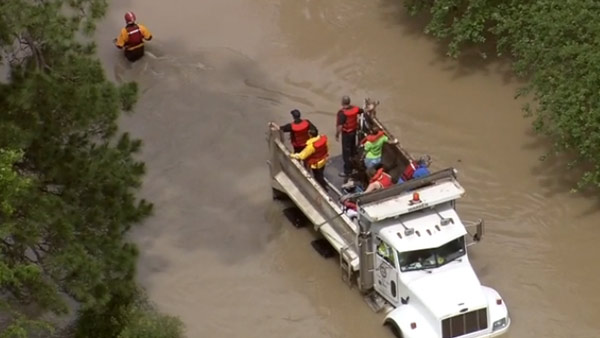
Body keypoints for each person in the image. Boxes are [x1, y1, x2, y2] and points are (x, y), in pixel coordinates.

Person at [335, 95, 365, 178]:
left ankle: (347, 171)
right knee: (352, 149)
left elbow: (340, 126)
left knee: (346, 153)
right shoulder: (356, 109)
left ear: (342, 103)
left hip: (346, 134)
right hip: (353, 132)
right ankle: (354, 165)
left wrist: (337, 134)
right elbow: (363, 111)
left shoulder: (342, 113)